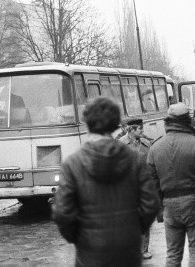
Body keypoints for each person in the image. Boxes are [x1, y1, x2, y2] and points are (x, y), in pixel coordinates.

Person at [52, 97, 160, 267]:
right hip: (128, 251)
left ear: (87, 122)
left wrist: (80, 237)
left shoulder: (72, 164)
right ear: (117, 124)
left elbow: (63, 213)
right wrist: (133, 231)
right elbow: (151, 204)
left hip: (90, 252)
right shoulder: (135, 159)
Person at [147, 102, 195, 266]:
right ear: (188, 120)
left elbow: (152, 183)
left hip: (170, 206)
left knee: (172, 254)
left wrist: (161, 206)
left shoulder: (156, 146)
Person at [118, 118, 153, 260]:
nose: (142, 131)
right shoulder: (120, 145)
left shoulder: (146, 144)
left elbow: (151, 165)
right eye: (140, 128)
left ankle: (144, 250)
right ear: (131, 130)